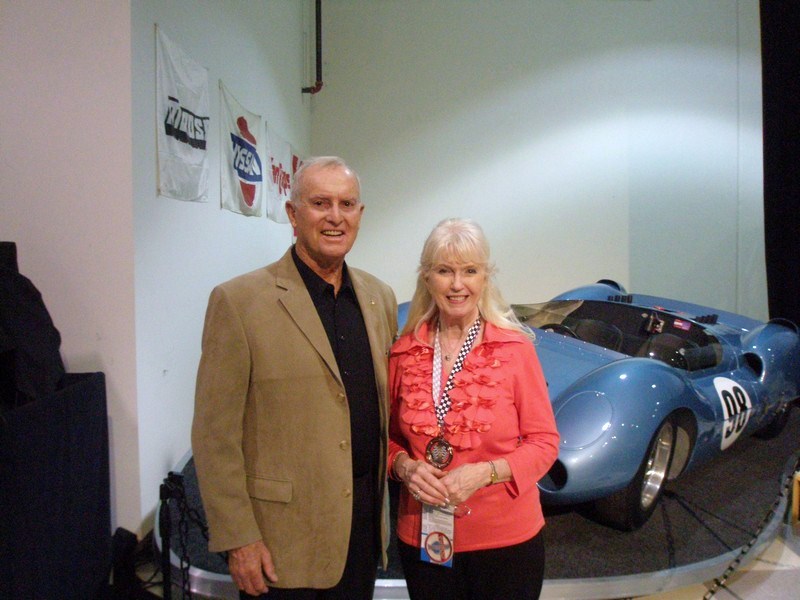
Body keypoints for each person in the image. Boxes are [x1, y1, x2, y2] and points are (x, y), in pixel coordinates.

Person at [192, 156, 397, 599]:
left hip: (361, 529)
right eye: (320, 203)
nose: (335, 217)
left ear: (360, 214)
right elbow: (214, 435)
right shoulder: (240, 302)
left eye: (347, 204)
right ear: (292, 214)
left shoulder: (380, 298)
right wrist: (238, 537)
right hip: (282, 540)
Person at [388, 218, 559, 599]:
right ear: (427, 278)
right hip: (423, 536)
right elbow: (387, 440)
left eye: (470, 271)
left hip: (506, 541)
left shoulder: (515, 350)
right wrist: (405, 467)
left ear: (485, 277)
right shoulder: (404, 351)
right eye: (444, 271)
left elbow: (545, 443)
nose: (457, 284)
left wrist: (484, 473)